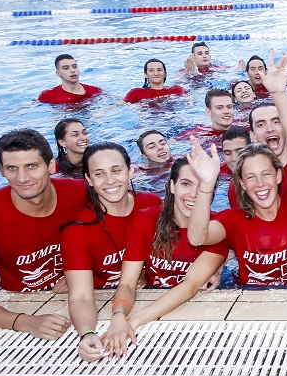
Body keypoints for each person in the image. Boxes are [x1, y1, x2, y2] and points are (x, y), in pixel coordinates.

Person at [187, 51, 287, 287]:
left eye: (276, 122)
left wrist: (279, 94)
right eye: (251, 178)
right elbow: (213, 237)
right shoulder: (236, 203)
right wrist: (206, 184)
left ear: (277, 176)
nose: (260, 184)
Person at [0, 130, 89, 339]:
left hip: (84, 293)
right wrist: (26, 322)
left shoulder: (82, 194)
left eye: (32, 166)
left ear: (51, 166)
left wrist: (86, 275)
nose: (23, 178)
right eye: (12, 168)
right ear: (0, 170)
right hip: (23, 300)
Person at [100, 158, 229, 358]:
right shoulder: (144, 220)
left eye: (202, 186)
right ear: (172, 186)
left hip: (194, 307)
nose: (194, 194)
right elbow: (127, 283)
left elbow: (190, 286)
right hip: (155, 299)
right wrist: (118, 316)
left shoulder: (217, 227)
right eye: (186, 184)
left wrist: (134, 321)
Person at [62, 143, 161, 361]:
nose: (109, 180)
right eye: (99, 174)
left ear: (130, 171)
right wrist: (87, 333)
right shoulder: (78, 230)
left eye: (116, 171)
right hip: (107, 299)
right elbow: (81, 296)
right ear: (88, 180)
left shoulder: (151, 205)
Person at [134, 129, 173, 197]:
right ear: (145, 156)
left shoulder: (183, 160)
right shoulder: (139, 174)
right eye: (152, 147)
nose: (160, 147)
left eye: (163, 143)